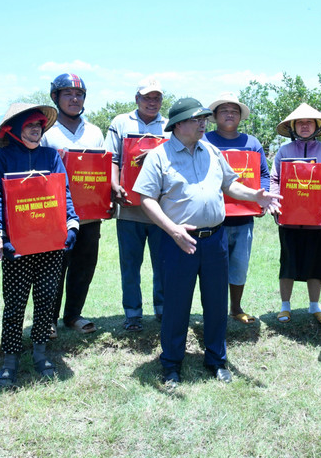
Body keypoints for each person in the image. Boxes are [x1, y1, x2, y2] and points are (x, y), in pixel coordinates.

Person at [133, 98, 281, 385]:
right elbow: (146, 199)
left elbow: (230, 184)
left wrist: (255, 195)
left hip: (215, 240)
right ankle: (172, 364)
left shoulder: (211, 151)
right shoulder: (159, 156)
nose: (204, 123)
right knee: (176, 306)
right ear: (178, 124)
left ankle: (216, 359)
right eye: (196, 119)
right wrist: (173, 230)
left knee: (216, 304)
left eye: (204, 118)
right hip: (178, 242)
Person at [0, 103, 79, 388]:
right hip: (17, 245)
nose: (37, 129)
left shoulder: (51, 156)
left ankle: (41, 354)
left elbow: (62, 191)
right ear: (13, 129)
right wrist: (3, 236)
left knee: (45, 300)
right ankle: (10, 358)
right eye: (30, 125)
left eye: (40, 125)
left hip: (50, 243)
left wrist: (72, 223)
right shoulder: (0, 158)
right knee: (14, 304)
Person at [102, 78, 168, 331]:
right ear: (136, 99)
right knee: (130, 265)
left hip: (162, 209)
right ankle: (132, 314)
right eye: (147, 97)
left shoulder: (170, 125)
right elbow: (112, 159)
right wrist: (114, 185)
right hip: (129, 207)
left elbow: (176, 156)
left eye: (157, 98)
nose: (152, 102)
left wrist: (157, 153)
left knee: (162, 263)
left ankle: (162, 310)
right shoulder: (121, 122)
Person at [41, 73, 105, 337]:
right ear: (55, 97)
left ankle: (73, 315)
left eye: (79, 94)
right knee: (54, 269)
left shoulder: (94, 132)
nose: (74, 99)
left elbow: (102, 171)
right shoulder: (46, 131)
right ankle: (49, 320)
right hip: (57, 217)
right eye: (67, 94)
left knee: (84, 267)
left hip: (89, 215)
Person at [269, 103, 321, 326]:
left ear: (318, 126)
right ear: (293, 127)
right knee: (287, 261)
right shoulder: (283, 151)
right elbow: (275, 180)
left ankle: (314, 306)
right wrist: (274, 202)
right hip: (288, 218)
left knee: (316, 262)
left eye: (309, 122)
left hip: (318, 221)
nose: (304, 125)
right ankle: (285, 306)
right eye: (300, 122)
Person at [204, 92, 270, 324]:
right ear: (214, 116)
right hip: (214, 219)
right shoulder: (205, 140)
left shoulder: (252, 143)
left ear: (241, 116)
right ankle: (215, 310)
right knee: (214, 268)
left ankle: (236, 308)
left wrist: (262, 198)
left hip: (244, 219)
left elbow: (263, 174)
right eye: (224, 110)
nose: (230, 114)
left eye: (234, 110)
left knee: (239, 265)